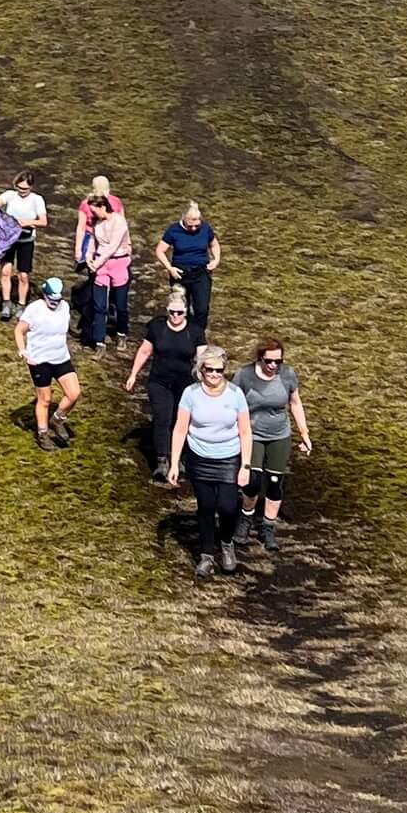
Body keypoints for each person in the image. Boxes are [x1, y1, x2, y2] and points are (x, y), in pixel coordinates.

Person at [167, 343, 253, 577]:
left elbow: (245, 431)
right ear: (200, 369)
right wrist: (174, 463)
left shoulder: (235, 394)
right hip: (199, 458)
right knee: (205, 507)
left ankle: (226, 543)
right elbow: (180, 429)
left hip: (228, 459)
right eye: (209, 370)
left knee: (227, 507)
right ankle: (206, 555)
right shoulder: (190, 394)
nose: (214, 375)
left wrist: (245, 465)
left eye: (219, 370)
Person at [233, 338, 312, 553]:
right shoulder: (244, 375)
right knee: (253, 480)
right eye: (269, 361)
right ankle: (246, 516)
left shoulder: (287, 375)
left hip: (279, 435)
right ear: (260, 358)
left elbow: (295, 403)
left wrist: (304, 433)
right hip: (253, 434)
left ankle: (268, 526)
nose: (274, 366)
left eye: (278, 361)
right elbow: (231, 402)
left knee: (275, 481)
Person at [124, 292, 201, 481]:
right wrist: (133, 375)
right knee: (162, 418)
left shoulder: (195, 331)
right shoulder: (157, 328)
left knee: (180, 420)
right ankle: (162, 460)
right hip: (159, 382)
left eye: (180, 313)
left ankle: (179, 458)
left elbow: (202, 358)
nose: (176, 316)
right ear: (167, 311)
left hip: (185, 385)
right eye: (172, 312)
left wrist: (205, 382)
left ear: (186, 312)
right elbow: (144, 351)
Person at [15, 276, 81, 446]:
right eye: (52, 299)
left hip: (60, 358)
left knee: (74, 393)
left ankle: (57, 419)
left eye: (57, 299)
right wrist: (23, 351)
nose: (55, 303)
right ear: (45, 295)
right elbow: (19, 330)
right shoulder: (34, 309)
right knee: (45, 399)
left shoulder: (64, 307)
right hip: (40, 361)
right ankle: (43, 433)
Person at [72, 177, 132, 347]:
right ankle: (99, 341)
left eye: (95, 211)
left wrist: (96, 263)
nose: (93, 215)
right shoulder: (97, 223)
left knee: (120, 305)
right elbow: (92, 240)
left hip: (118, 263)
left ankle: (121, 333)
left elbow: (112, 246)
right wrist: (89, 256)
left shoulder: (119, 223)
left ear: (103, 207)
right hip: (101, 266)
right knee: (100, 305)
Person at [0, 173, 48, 318]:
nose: (22, 191)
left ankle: (21, 305)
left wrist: (26, 222)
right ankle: (6, 303)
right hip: (9, 240)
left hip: (26, 241)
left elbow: (43, 221)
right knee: (5, 272)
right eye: (19, 188)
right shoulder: (10, 195)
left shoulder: (37, 200)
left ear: (31, 187)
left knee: (23, 275)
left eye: (25, 189)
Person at [154, 201, 220, 334]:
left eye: (197, 225)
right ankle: (183, 335)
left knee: (201, 309)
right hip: (180, 275)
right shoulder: (173, 230)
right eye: (190, 226)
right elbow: (160, 250)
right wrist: (170, 268)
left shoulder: (206, 228)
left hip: (201, 273)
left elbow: (214, 245)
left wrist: (216, 260)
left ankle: (199, 337)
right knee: (181, 307)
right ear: (184, 219)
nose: (194, 229)